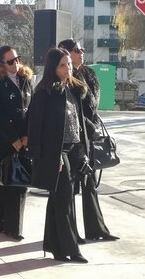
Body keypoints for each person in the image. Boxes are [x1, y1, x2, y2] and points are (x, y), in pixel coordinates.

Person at [28, 48, 90, 263]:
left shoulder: (74, 89)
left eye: (69, 64)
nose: (68, 68)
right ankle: (71, 249)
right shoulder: (44, 92)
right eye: (62, 65)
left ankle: (56, 246)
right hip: (56, 152)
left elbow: (79, 124)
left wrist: (84, 153)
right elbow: (35, 126)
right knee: (64, 200)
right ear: (52, 67)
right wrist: (46, 157)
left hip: (74, 150)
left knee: (60, 199)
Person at [58, 39, 119, 242]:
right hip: (73, 138)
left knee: (90, 182)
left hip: (88, 136)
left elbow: (93, 106)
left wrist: (92, 128)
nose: (81, 52)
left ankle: (97, 229)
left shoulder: (88, 74)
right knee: (70, 187)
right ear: (66, 52)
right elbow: (72, 111)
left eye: (82, 49)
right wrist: (90, 128)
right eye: (77, 50)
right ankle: (71, 233)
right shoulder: (64, 78)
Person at [0, 45, 33, 241]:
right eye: (11, 61)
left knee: (19, 183)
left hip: (23, 139)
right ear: (0, 64)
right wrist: (13, 139)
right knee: (1, 183)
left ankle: (14, 227)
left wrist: (27, 135)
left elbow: (31, 109)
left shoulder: (25, 79)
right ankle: (0, 224)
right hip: (1, 139)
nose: (16, 64)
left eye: (17, 59)